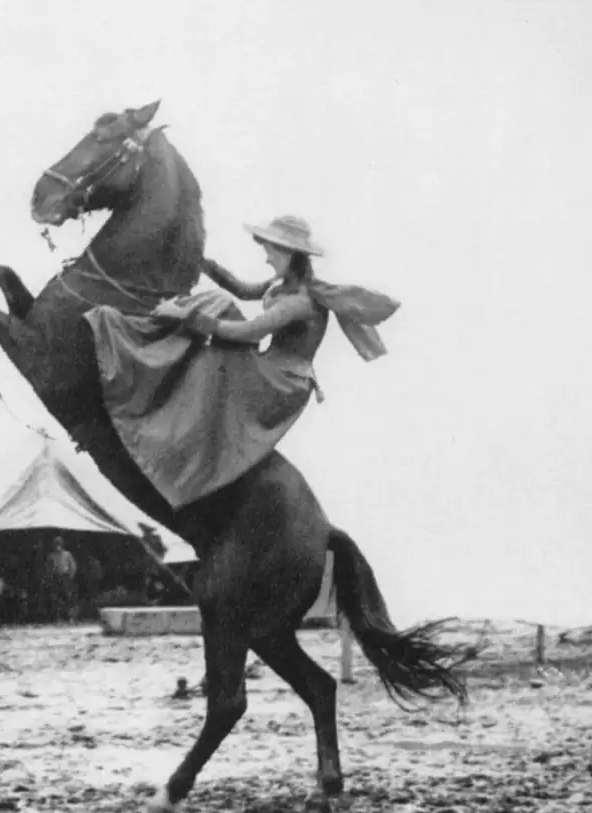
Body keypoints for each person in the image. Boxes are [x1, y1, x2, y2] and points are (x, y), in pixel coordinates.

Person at [84, 215, 399, 510]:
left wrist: (189, 317)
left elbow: (249, 330)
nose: (266, 257)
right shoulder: (283, 285)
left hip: (282, 381)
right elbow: (243, 290)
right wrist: (203, 262)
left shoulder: (300, 302)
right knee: (220, 303)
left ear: (292, 255)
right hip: (269, 366)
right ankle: (147, 342)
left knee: (211, 354)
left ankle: (160, 408)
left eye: (272, 251)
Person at [44, 536, 78, 623]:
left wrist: (70, 576)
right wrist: (50, 576)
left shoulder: (67, 554)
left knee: (68, 597)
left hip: (65, 576)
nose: (57, 546)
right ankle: (57, 618)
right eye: (56, 544)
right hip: (55, 577)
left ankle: (70, 617)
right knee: (55, 597)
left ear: (62, 545)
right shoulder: (51, 555)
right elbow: (48, 567)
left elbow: (73, 566)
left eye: (59, 544)